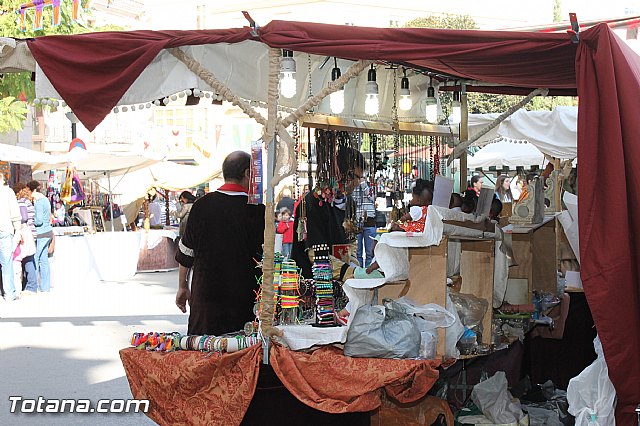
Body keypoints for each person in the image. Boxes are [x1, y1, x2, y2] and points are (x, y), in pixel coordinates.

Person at [175, 151, 265, 336]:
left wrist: (183, 286)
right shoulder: (257, 210)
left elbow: (186, 253)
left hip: (206, 304)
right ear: (248, 173)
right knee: (242, 358)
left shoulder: (201, 206)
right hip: (245, 303)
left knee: (205, 358)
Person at [291, 147, 365, 279]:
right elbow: (315, 254)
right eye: (355, 177)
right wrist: (348, 272)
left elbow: (352, 244)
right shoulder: (312, 203)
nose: (357, 183)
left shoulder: (349, 203)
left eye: (361, 178)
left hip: (345, 282)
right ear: (341, 173)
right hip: (314, 282)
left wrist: (354, 267)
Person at [27, 180, 53, 293]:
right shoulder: (46, 200)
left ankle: (34, 286)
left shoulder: (38, 202)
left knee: (35, 258)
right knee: (44, 260)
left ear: (32, 190)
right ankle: (45, 287)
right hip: (48, 232)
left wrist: (31, 219)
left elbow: (38, 221)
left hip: (41, 233)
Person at [13, 183, 37, 296]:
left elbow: (23, 218)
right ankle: (30, 285)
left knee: (25, 259)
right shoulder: (28, 202)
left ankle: (31, 286)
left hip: (25, 233)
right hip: (31, 232)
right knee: (29, 258)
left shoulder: (21, 202)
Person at [0, 174, 21, 301]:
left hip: (5, 230)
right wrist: (17, 229)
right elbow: (15, 212)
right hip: (5, 230)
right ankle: (9, 293)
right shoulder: (8, 192)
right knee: (6, 262)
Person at [352, 179, 376, 267]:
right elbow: (353, 200)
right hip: (356, 221)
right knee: (357, 253)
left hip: (369, 220)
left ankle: (369, 272)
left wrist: (363, 184)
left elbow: (372, 197)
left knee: (370, 252)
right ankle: (358, 272)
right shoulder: (353, 186)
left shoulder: (370, 184)